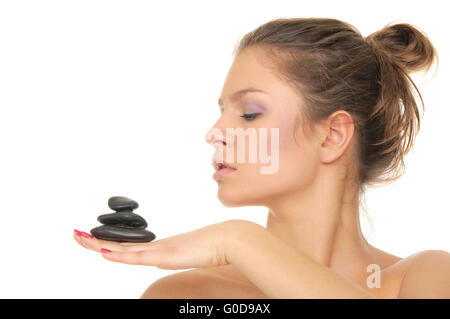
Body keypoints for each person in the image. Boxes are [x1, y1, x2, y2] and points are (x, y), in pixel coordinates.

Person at [74, 17, 450, 298]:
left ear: (333, 136)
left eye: (250, 113)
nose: (215, 132)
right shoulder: (189, 295)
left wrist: (240, 239)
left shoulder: (424, 278)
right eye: (223, 111)